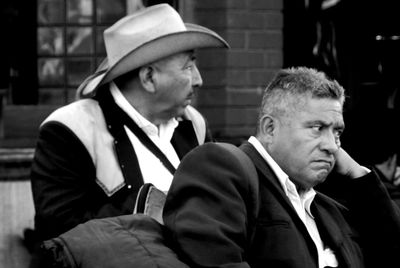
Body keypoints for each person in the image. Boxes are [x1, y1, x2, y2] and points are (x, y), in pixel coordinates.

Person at [29, 3, 228, 244]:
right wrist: (152, 208)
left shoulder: (194, 124)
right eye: (188, 66)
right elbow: (59, 232)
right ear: (149, 78)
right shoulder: (70, 130)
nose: (199, 80)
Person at [163, 67, 400, 268]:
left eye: (337, 132)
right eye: (316, 128)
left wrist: (358, 175)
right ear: (270, 128)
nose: (332, 146)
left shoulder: (327, 204)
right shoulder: (222, 168)